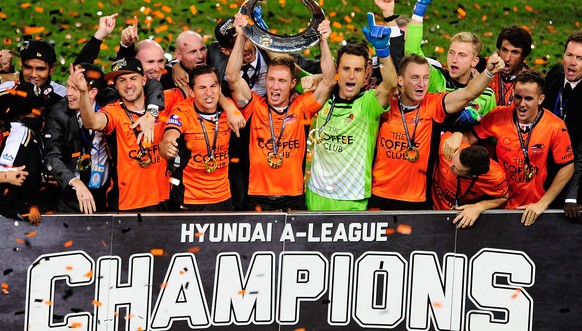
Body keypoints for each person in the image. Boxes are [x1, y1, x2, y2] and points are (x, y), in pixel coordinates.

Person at [225, 13, 335, 211]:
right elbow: (232, 76)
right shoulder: (254, 106)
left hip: (293, 198)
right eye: (271, 80)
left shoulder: (302, 107)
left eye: (282, 81)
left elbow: (329, 81)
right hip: (257, 196)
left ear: (293, 84)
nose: (275, 87)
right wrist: (241, 36)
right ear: (266, 81)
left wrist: (324, 42)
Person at [369, 53, 505, 210]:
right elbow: (386, 84)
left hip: (417, 199)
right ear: (400, 80)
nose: (421, 84)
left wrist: (488, 73)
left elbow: (468, 94)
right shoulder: (384, 105)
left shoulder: (433, 105)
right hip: (379, 195)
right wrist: (383, 51)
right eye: (415, 78)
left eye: (425, 78)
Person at [444, 70, 574, 226]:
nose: (521, 103)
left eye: (528, 99)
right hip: (497, 207)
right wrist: (458, 134)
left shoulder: (555, 126)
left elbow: (568, 167)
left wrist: (543, 203)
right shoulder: (499, 116)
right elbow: (469, 137)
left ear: (540, 99)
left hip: (532, 209)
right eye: (517, 97)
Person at [305, 13, 398, 211]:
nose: (351, 75)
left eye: (357, 70)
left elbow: (390, 84)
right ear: (338, 70)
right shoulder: (322, 96)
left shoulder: (368, 104)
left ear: (366, 75)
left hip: (352, 199)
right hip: (315, 195)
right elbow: (288, 74)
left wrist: (383, 51)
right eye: (346, 69)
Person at [72, 57, 170, 212]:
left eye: (133, 78)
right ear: (116, 86)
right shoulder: (113, 112)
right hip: (126, 203)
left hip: (163, 199)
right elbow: (91, 122)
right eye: (122, 80)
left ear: (144, 80)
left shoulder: (162, 103)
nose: (128, 85)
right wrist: (84, 93)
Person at [404, 0, 496, 131]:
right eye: (451, 53)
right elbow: (412, 53)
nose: (454, 59)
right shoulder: (436, 79)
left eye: (462, 55)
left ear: (474, 61)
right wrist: (419, 11)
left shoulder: (486, 94)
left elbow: (489, 132)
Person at [159, 65, 238, 211]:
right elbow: (170, 135)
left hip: (223, 196)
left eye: (213, 86)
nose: (209, 93)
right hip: (190, 199)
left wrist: (232, 110)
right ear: (191, 91)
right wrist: (166, 146)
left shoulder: (229, 110)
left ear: (220, 89)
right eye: (202, 88)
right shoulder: (182, 111)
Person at [44, 63, 113, 214]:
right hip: (71, 195)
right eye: (68, 86)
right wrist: (75, 183)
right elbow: (51, 156)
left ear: (93, 92)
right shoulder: (58, 113)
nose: (68, 93)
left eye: (75, 89)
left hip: (106, 193)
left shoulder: (110, 103)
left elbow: (138, 83)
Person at [542, 32, 582, 218]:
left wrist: (571, 198)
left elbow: (580, 153)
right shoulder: (554, 76)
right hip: (542, 173)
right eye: (569, 55)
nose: (572, 62)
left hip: (573, 179)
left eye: (580, 58)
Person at [432, 132, 508, 228]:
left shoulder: (494, 177)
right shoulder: (448, 146)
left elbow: (503, 198)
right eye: (454, 160)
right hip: (434, 212)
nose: (451, 166)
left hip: (464, 220)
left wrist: (479, 207)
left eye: (456, 169)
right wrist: (457, 133)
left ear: (471, 176)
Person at [489, 26, 532, 106]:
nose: (507, 58)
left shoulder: (530, 83)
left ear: (523, 56)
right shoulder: (483, 68)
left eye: (514, 52)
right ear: (498, 50)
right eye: (504, 50)